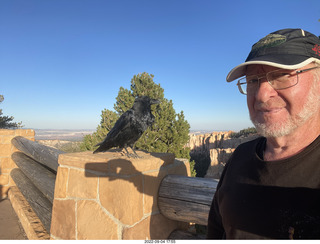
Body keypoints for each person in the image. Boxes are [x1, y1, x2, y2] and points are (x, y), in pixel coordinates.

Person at [207, 28, 320, 239]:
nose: (261, 94)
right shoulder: (240, 156)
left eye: (280, 75)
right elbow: (216, 229)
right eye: (253, 80)